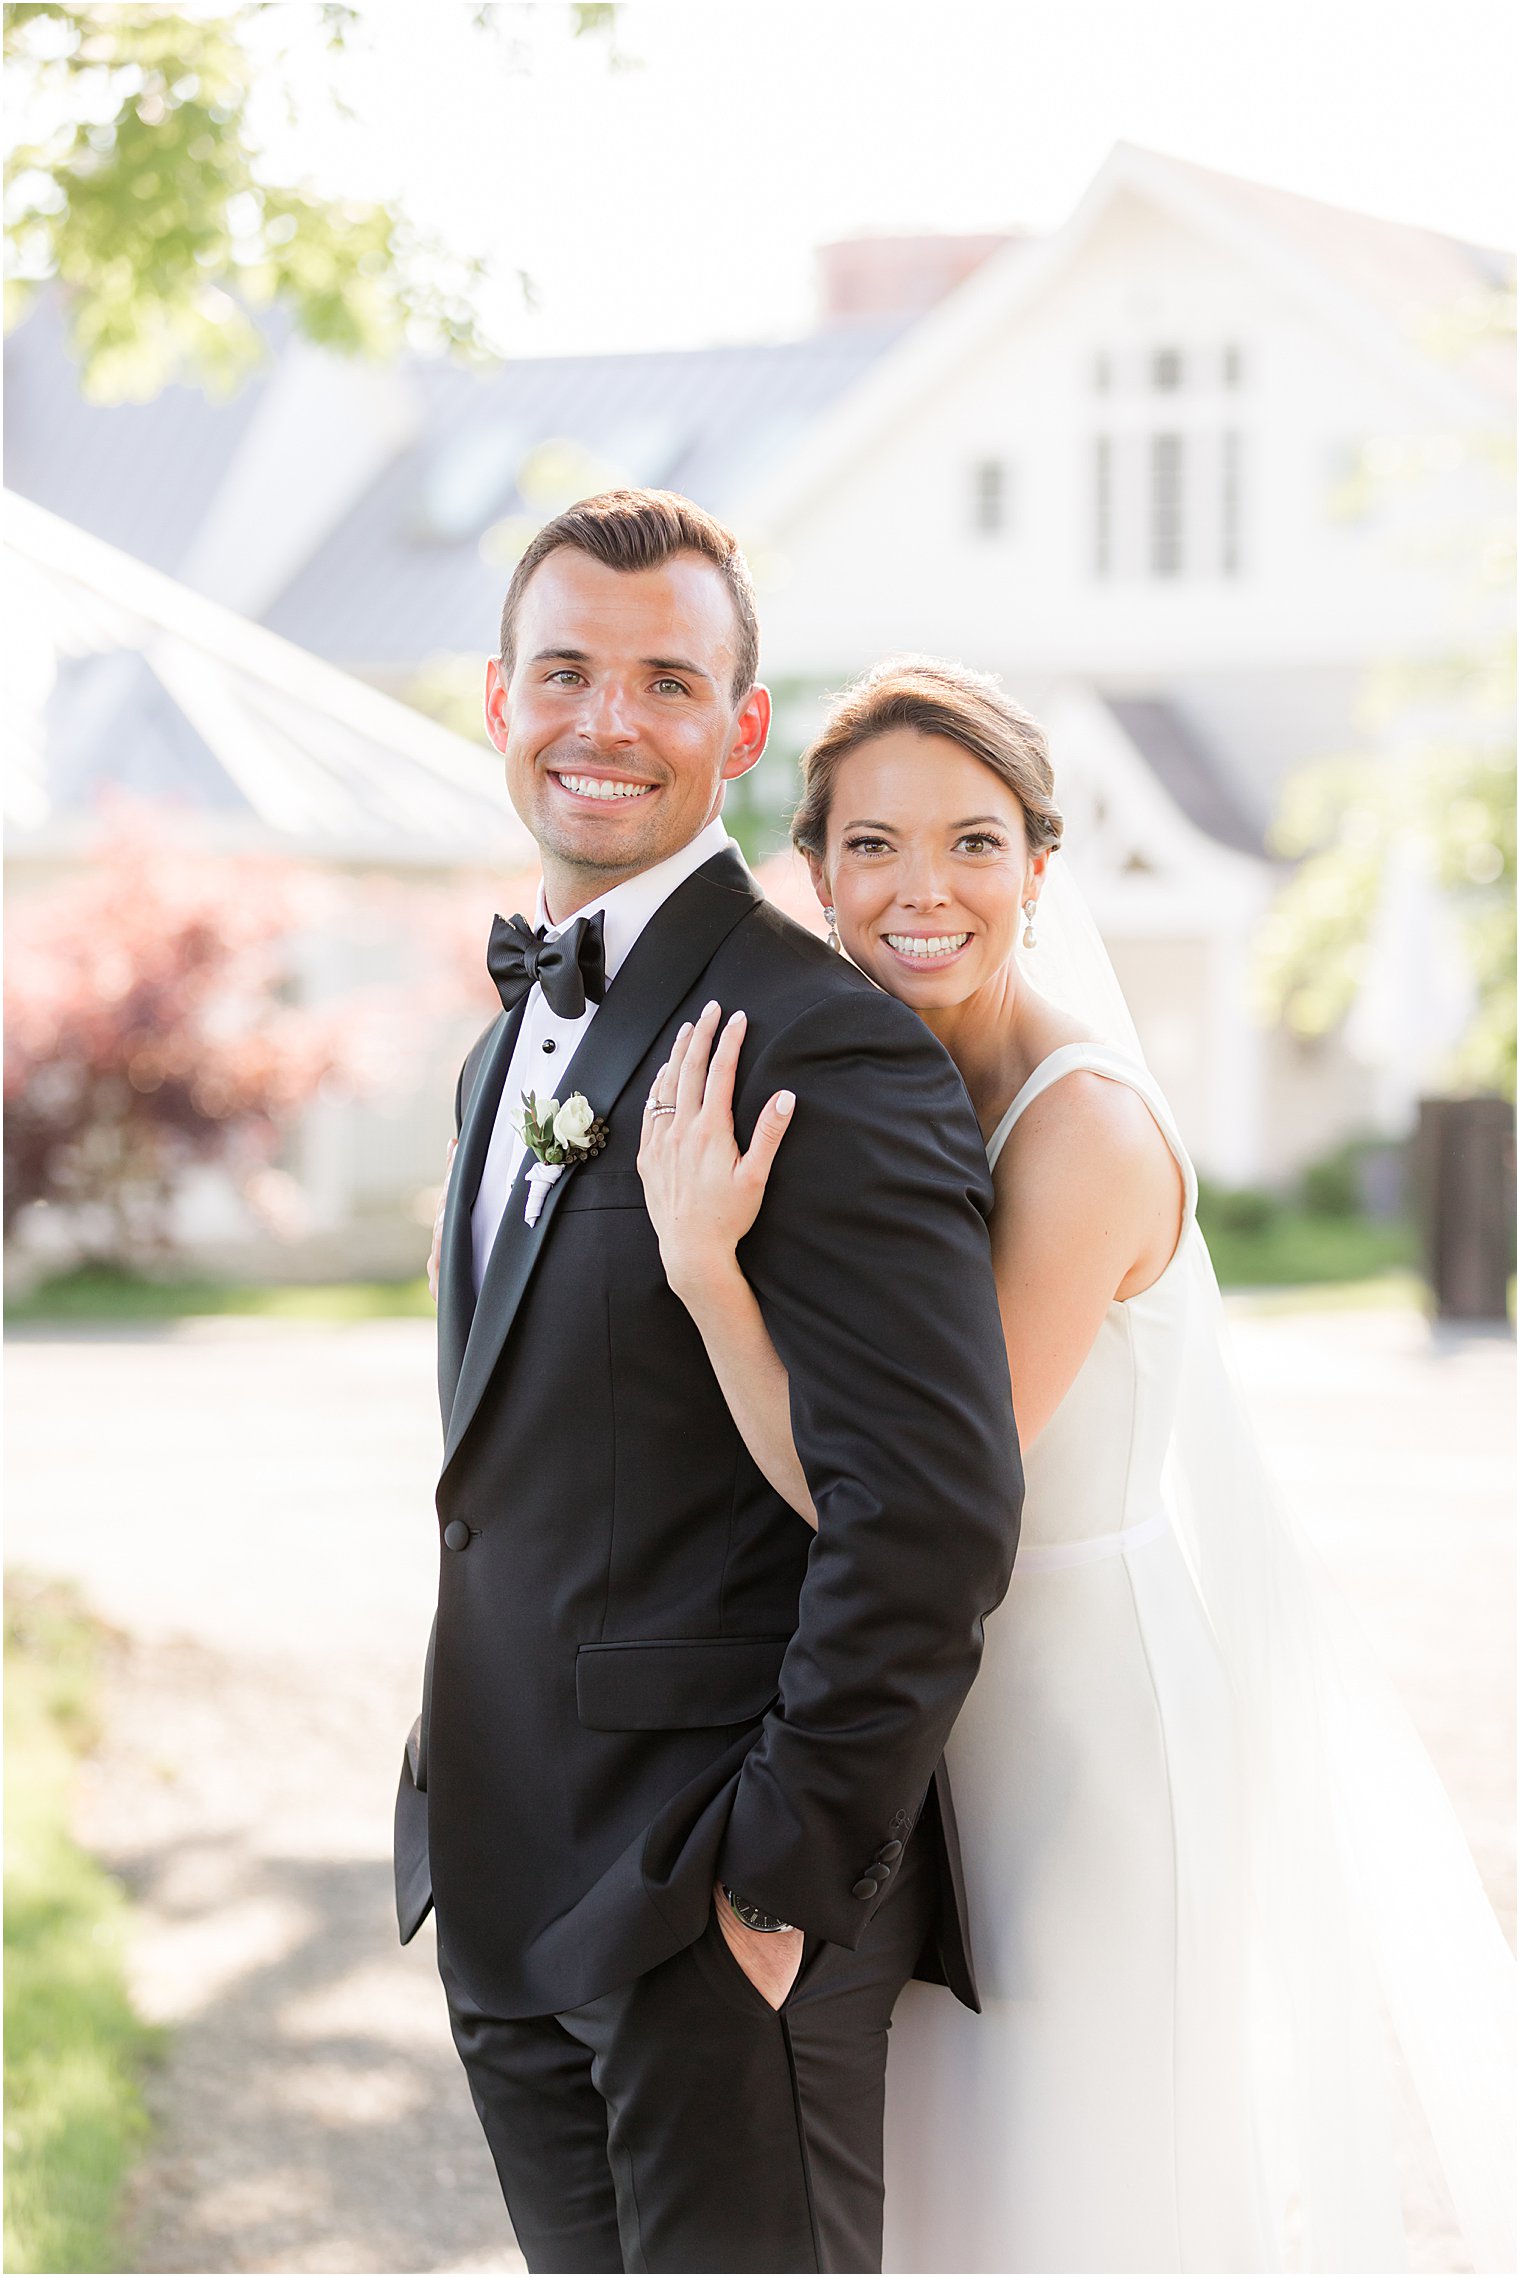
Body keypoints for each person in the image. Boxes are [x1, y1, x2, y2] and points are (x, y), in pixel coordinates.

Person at [634, 655, 1517, 2274]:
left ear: (1042, 871)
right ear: (813, 870)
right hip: (934, 1718)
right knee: (952, 2190)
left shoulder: (1083, 1130)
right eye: (876, 845)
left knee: (1088, 2186)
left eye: (974, 843)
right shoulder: (874, 1093)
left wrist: (709, 1278)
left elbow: (894, 1499)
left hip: (1087, 1733)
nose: (924, 889)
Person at [395, 493, 1023, 2275]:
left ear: (742, 730)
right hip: (511, 1876)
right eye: (566, 670)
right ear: (496, 696)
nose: (607, 719)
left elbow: (935, 1512)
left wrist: (769, 1886)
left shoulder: (826, 1041)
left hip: (706, 1909)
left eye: (667, 678)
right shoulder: (505, 1042)